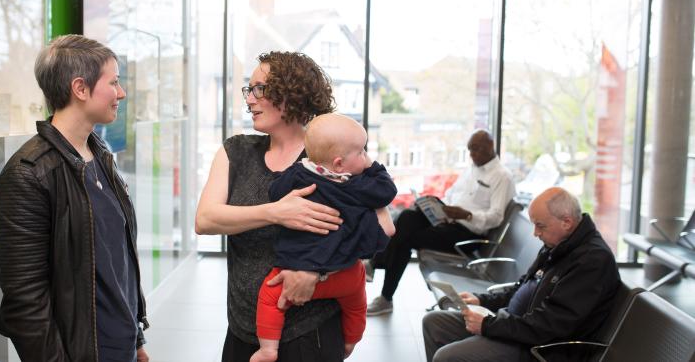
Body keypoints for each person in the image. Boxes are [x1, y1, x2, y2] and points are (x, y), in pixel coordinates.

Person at [0, 35, 150, 361]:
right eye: (114, 82)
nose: (121, 93)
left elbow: (117, 262)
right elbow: (25, 301)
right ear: (80, 89)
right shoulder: (28, 175)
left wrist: (135, 339)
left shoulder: (101, 154)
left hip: (120, 347)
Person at [195, 51, 349, 362]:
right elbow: (205, 219)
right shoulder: (236, 151)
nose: (249, 99)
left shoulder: (328, 155)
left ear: (294, 92)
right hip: (242, 328)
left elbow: (366, 232)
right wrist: (275, 212)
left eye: (259, 89)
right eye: (248, 89)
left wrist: (319, 273)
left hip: (309, 331)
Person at [251, 113, 397, 362]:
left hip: (297, 268)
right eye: (362, 151)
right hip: (344, 273)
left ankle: (268, 349)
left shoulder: (299, 174)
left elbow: (275, 192)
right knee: (356, 303)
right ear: (339, 164)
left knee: (269, 297)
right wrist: (374, 167)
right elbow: (386, 191)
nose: (366, 156)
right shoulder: (356, 185)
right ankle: (351, 340)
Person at [422, 187, 621, 362]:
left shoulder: (591, 261)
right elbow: (522, 288)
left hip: (539, 348)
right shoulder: (557, 245)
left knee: (447, 357)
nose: (535, 233)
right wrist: (482, 301)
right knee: (435, 323)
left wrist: (488, 326)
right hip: (515, 328)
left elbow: (550, 326)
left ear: (567, 222)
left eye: (540, 226)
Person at [366, 129, 516, 315]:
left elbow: (496, 216)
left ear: (490, 147)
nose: (471, 154)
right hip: (447, 221)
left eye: (475, 149)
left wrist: (467, 215)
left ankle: (379, 279)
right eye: (469, 150)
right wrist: (437, 206)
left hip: (466, 234)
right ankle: (381, 284)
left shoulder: (502, 176)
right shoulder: (471, 169)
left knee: (405, 238)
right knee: (407, 216)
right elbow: (452, 194)